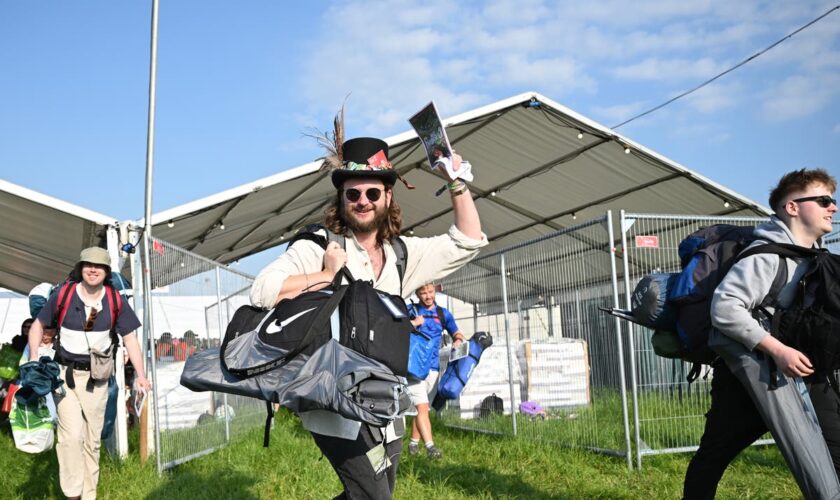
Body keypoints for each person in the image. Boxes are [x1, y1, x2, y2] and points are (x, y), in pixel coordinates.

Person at [250, 132, 486, 499]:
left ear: (387, 197)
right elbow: (263, 290)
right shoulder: (318, 244)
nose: (363, 201)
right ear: (341, 198)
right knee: (374, 497)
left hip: (387, 406)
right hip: (335, 405)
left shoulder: (402, 254)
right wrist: (325, 275)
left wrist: (456, 181)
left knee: (375, 493)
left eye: (372, 193)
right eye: (353, 194)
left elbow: (467, 240)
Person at [683, 168, 839, 499]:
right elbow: (725, 308)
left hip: (805, 372)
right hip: (752, 375)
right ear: (792, 207)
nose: (833, 207)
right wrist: (778, 350)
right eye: (824, 199)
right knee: (714, 455)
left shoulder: (813, 258)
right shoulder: (765, 255)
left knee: (836, 448)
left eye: (833, 200)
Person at [28, 246, 152, 500]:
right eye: (88, 265)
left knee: (92, 441)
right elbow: (38, 326)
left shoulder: (115, 300)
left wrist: (140, 375)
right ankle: (73, 493)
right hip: (65, 376)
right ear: (80, 268)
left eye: (99, 266)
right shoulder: (63, 295)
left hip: (97, 380)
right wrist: (32, 358)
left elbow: (130, 340)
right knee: (71, 437)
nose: (93, 270)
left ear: (106, 272)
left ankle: (89, 495)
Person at [405, 283, 464, 459]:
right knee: (421, 406)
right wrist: (414, 323)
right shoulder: (411, 310)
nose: (428, 296)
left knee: (423, 409)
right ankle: (431, 447)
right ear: (417, 293)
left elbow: (456, 332)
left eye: (430, 292)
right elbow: (395, 328)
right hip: (414, 367)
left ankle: (413, 445)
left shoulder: (442, 314)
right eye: (423, 293)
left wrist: (458, 340)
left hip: (433, 368)